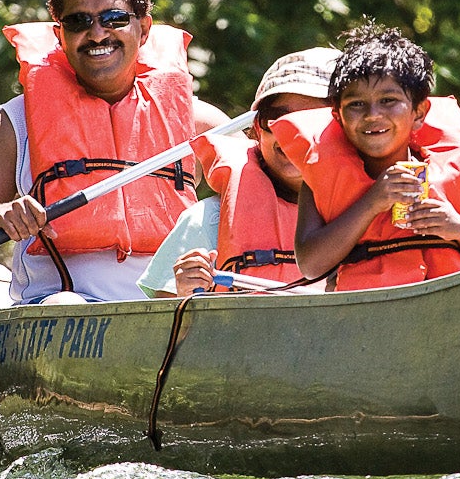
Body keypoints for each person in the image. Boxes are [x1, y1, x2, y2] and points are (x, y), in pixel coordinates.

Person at [0, 0, 232, 304]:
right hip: (58, 311)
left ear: (143, 28)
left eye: (114, 18)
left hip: (163, 315)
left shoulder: (201, 123)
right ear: (60, 35)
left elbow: (270, 201)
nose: (97, 34)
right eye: (79, 21)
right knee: (65, 305)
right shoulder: (15, 124)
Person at [271, 23, 460, 292]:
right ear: (338, 115)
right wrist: (373, 200)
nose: (373, 115)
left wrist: (458, 228)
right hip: (369, 319)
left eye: (389, 100)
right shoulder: (320, 177)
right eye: (356, 104)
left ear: (419, 113)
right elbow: (310, 265)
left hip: (449, 314)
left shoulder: (447, 173)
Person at [136, 47, 341, 297]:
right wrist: (182, 295)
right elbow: (164, 325)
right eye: (275, 118)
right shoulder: (207, 220)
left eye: (310, 119)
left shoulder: (368, 215)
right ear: (256, 127)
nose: (291, 132)